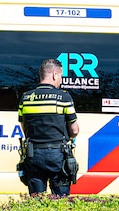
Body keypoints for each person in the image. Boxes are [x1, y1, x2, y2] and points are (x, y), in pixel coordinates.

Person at [18, 58, 80, 196]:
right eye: (61, 76)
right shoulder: (63, 97)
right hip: (57, 155)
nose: (61, 80)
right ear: (54, 75)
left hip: (32, 154)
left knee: (36, 200)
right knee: (61, 201)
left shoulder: (26, 98)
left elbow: (24, 128)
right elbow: (74, 130)